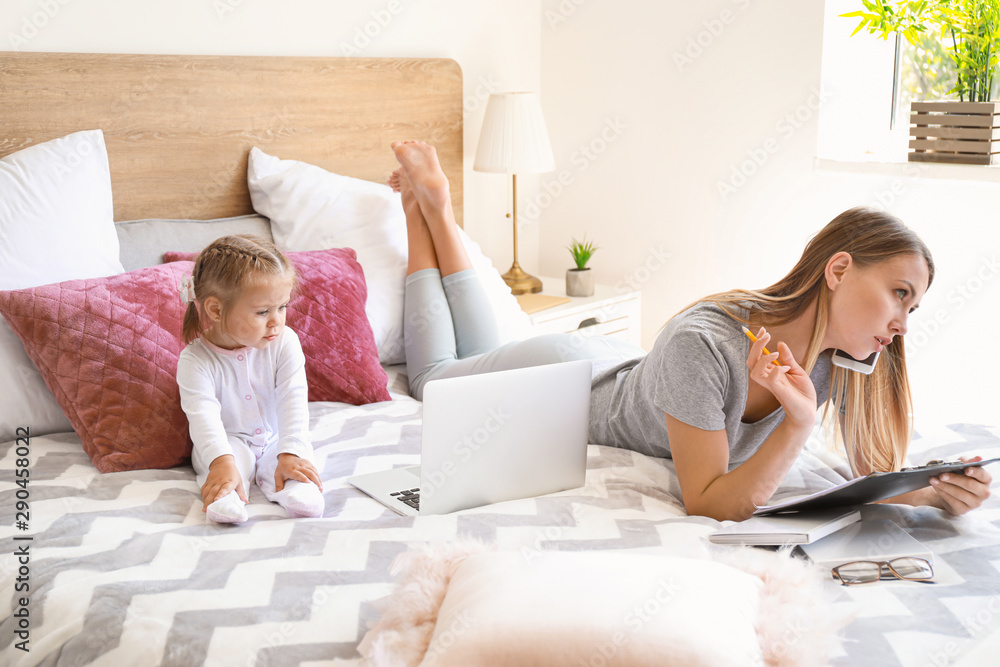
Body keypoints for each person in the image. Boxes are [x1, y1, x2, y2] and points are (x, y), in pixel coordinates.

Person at [388, 139, 992, 522]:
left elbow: (864, 477)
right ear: (838, 270)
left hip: (619, 359)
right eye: (899, 295)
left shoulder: (842, 358)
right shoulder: (704, 343)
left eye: (913, 310)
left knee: (484, 348)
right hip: (562, 378)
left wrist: (931, 492)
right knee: (435, 380)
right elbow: (709, 502)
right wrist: (800, 424)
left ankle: (437, 212)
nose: (902, 324)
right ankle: (424, 211)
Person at [175, 234, 324, 524]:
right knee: (223, 464)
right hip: (227, 442)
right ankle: (225, 494)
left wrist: (290, 452)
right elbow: (203, 418)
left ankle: (294, 485)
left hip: (275, 435)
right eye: (262, 312)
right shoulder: (195, 361)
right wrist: (221, 461)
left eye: (282, 307)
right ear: (216, 310)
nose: (276, 321)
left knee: (295, 452)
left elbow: (293, 399)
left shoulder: (285, 342)